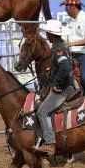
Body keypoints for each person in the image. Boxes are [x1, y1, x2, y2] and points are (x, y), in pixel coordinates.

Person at [33, 19, 75, 156]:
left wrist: (56, 83)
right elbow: (68, 65)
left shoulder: (59, 50)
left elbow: (66, 67)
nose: (46, 35)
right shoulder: (62, 47)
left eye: (47, 33)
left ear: (52, 35)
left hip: (62, 89)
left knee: (42, 112)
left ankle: (50, 143)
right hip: (67, 85)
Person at [61, 0, 85, 97]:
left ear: (72, 7)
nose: (65, 9)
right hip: (71, 54)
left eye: (66, 6)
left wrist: (70, 44)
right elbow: (64, 37)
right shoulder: (69, 21)